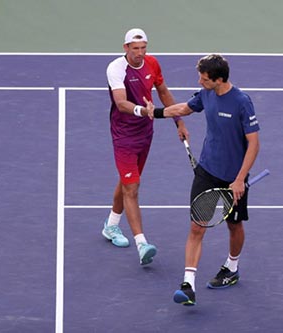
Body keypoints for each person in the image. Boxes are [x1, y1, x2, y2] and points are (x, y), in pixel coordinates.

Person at [144, 54, 260, 305]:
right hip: (207, 171)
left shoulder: (241, 102)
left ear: (219, 79)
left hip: (234, 178)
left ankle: (232, 266)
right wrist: (156, 113)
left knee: (234, 225)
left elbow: (253, 144)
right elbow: (185, 107)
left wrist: (240, 179)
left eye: (204, 78)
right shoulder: (206, 93)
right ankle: (188, 285)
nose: (199, 81)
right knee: (197, 227)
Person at [102, 28, 188, 265]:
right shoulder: (116, 68)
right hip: (123, 136)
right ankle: (142, 243)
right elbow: (120, 103)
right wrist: (143, 111)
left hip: (145, 134)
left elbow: (162, 92)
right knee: (133, 187)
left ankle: (110, 226)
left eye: (143, 48)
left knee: (128, 179)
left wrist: (178, 121)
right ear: (125, 48)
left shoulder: (152, 64)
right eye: (135, 49)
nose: (140, 53)